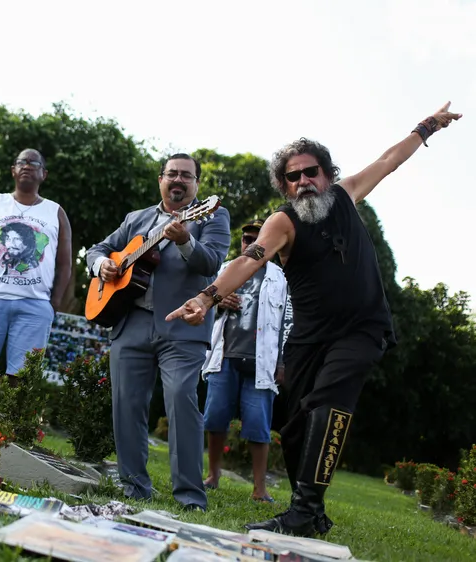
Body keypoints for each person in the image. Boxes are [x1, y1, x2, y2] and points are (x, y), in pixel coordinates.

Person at [166, 102, 462, 536]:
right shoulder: (282, 223)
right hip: (308, 339)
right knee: (298, 424)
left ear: (327, 174)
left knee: (329, 405)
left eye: (311, 172)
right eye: (293, 176)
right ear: (285, 186)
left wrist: (427, 126)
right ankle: (314, 513)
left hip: (362, 329)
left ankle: (303, 512)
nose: (304, 180)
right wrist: (208, 297)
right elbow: (248, 260)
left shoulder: (346, 195)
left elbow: (389, 160)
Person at [85, 153, 231, 511]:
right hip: (131, 321)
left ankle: (190, 497)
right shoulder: (137, 218)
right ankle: (134, 486)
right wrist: (103, 264)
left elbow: (212, 262)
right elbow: (98, 249)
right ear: (161, 180)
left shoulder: (212, 214)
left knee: (182, 399)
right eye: (172, 174)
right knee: (126, 404)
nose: (178, 180)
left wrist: (184, 240)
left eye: (186, 175)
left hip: (182, 325)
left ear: (197, 184)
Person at [0, 149, 72, 431]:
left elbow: (65, 262)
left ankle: (7, 446)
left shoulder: (55, 211)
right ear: (13, 170)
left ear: (43, 174)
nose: (27, 166)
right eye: (22, 162)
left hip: (34, 306)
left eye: (35, 163)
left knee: (20, 378)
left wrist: (53, 303)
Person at [201, 218, 288, 503]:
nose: (250, 244)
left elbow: (289, 322)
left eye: (256, 239)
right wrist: (217, 301)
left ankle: (259, 489)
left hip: (261, 362)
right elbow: (199, 306)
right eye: (246, 239)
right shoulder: (226, 270)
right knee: (214, 419)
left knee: (258, 426)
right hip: (224, 355)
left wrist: (283, 362)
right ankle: (213, 476)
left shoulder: (281, 277)